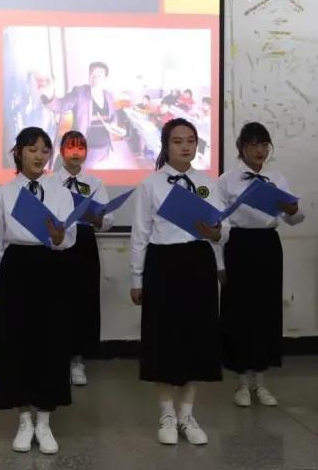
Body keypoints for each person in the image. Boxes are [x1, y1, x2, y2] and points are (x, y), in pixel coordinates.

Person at [130, 119, 226, 447]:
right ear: (165, 145)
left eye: (191, 140)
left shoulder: (208, 183)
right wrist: (136, 277)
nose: (185, 146)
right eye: (177, 141)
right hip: (163, 263)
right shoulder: (151, 184)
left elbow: (222, 228)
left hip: (199, 261)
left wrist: (217, 238)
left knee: (197, 338)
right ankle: (167, 414)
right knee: (165, 339)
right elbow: (140, 234)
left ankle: (187, 413)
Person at [0, 127, 76, 455]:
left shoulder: (60, 192)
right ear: (18, 153)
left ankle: (45, 421)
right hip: (16, 268)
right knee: (17, 345)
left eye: (44, 150)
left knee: (51, 343)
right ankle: (24, 419)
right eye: (32, 149)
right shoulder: (4, 193)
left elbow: (70, 238)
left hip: (52, 268)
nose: (39, 156)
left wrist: (59, 237)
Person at [217, 122, 304, 408]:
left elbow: (294, 218)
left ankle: (262, 382)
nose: (260, 150)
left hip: (268, 245)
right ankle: (242, 383)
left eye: (264, 144)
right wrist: (219, 262)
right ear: (241, 147)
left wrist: (292, 208)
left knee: (266, 311)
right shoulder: (227, 180)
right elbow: (219, 222)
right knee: (239, 313)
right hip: (238, 245)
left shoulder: (276, 178)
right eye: (253, 144)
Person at [53, 130, 113, 387]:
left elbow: (108, 221)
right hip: (57, 244)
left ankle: (77, 360)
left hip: (85, 244)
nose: (76, 152)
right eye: (70, 147)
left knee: (83, 301)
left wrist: (97, 218)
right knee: (58, 300)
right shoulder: (51, 181)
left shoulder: (95, 183)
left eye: (81, 147)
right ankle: (57, 357)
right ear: (61, 151)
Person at [40, 62, 118, 168]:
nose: (94, 78)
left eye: (99, 75)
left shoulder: (109, 95)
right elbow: (61, 105)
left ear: (105, 78)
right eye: (92, 74)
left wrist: (113, 124)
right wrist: (49, 94)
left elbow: (113, 117)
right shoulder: (80, 92)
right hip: (86, 147)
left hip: (105, 148)